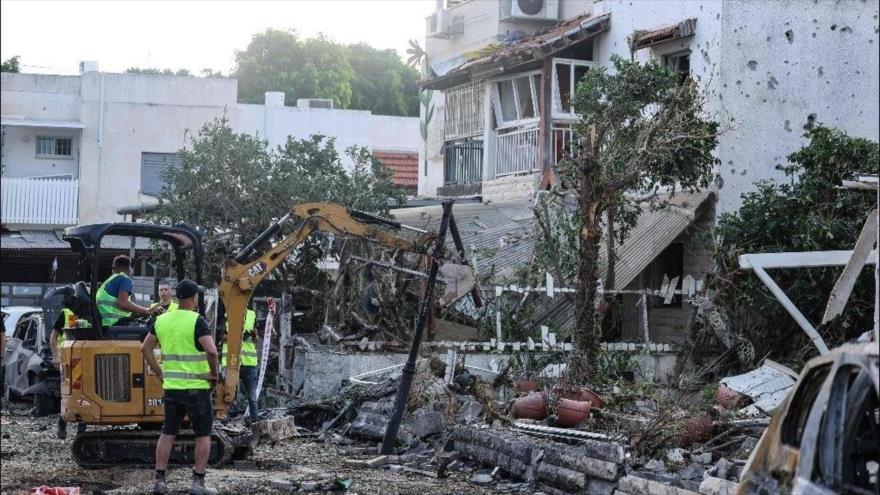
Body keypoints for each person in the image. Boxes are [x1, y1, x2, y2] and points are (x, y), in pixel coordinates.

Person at [141, 280, 219, 495]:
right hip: (196, 388)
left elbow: (145, 349)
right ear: (194, 298)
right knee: (203, 434)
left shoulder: (161, 320)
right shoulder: (197, 321)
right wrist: (214, 374)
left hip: (172, 388)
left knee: (168, 432)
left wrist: (158, 372)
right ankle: (197, 483)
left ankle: (159, 481)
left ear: (176, 296)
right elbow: (211, 352)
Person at [97, 255, 163, 327]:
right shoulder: (124, 279)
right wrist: (147, 311)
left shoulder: (109, 281)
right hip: (115, 324)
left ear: (114, 268)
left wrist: (141, 312)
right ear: (129, 268)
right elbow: (123, 303)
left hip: (106, 323)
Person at [50, 307, 86, 440]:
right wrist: (55, 357)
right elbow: (53, 337)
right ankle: (63, 422)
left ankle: (81, 429)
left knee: (83, 393)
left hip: (82, 359)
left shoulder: (90, 313)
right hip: (67, 360)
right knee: (68, 392)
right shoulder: (67, 313)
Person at [221, 308, 259, 421]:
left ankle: (255, 422)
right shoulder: (225, 314)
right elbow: (220, 336)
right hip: (231, 362)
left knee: (252, 395)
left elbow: (256, 338)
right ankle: (225, 420)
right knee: (227, 394)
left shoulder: (252, 314)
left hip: (248, 362)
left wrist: (253, 335)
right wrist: (236, 337)